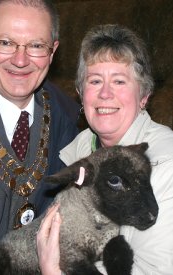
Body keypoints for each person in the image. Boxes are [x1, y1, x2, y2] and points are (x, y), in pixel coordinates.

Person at [0, 0, 80, 274]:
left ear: (53, 51)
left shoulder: (68, 124)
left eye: (36, 46)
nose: (20, 61)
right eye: (6, 42)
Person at [36, 24, 173, 274]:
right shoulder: (73, 153)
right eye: (95, 80)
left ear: (144, 96)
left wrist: (54, 270)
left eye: (119, 81)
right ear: (80, 93)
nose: (105, 93)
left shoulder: (165, 163)